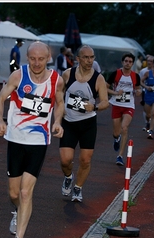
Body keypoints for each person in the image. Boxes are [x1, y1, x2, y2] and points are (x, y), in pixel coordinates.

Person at [0, 41, 65, 238]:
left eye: (41, 59)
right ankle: (17, 210)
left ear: (48, 58)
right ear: (27, 58)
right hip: (15, 139)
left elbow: (60, 103)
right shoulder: (18, 76)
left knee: (26, 192)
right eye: (32, 58)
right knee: (14, 193)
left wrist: (58, 122)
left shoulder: (56, 80)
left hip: (38, 140)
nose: (36, 63)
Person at [59, 44, 109, 202]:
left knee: (85, 160)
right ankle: (68, 177)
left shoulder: (98, 78)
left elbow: (106, 102)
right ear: (78, 59)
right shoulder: (68, 74)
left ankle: (78, 188)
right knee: (65, 160)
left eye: (92, 57)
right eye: (86, 57)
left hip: (87, 123)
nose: (89, 60)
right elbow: (57, 92)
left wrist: (94, 106)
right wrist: (61, 106)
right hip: (69, 122)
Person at [106, 53, 141, 166]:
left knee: (124, 128)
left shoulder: (135, 76)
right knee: (116, 132)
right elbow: (105, 88)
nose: (128, 63)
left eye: (130, 61)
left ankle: (120, 156)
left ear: (132, 63)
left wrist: (139, 91)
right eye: (126, 61)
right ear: (122, 62)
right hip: (116, 104)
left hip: (129, 105)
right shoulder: (116, 74)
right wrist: (115, 92)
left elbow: (138, 89)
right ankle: (117, 138)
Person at [139, 55, 154, 132]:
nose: (149, 63)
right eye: (148, 61)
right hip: (145, 92)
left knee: (153, 110)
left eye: (151, 61)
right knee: (145, 109)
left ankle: (151, 124)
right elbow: (140, 81)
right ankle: (147, 123)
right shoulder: (143, 71)